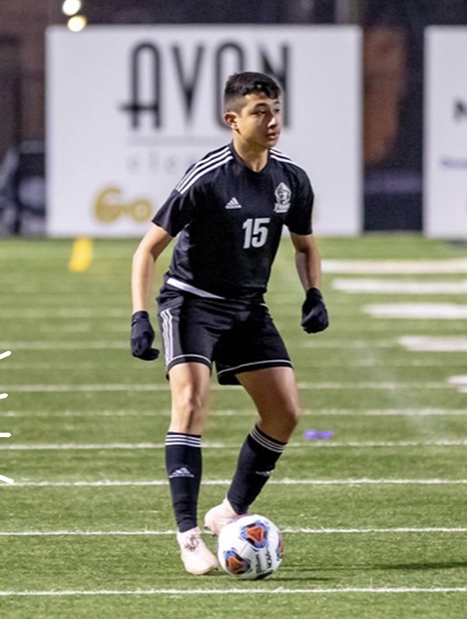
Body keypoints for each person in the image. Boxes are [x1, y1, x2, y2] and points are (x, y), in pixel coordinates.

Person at [129, 72, 329, 575]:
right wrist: (140, 315)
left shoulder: (291, 179)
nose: (272, 120)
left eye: (275, 110)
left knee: (284, 414)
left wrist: (314, 293)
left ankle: (230, 511)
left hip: (247, 307)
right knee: (191, 403)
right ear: (232, 120)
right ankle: (188, 536)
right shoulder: (208, 177)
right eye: (260, 111)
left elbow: (305, 246)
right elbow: (147, 250)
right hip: (191, 302)